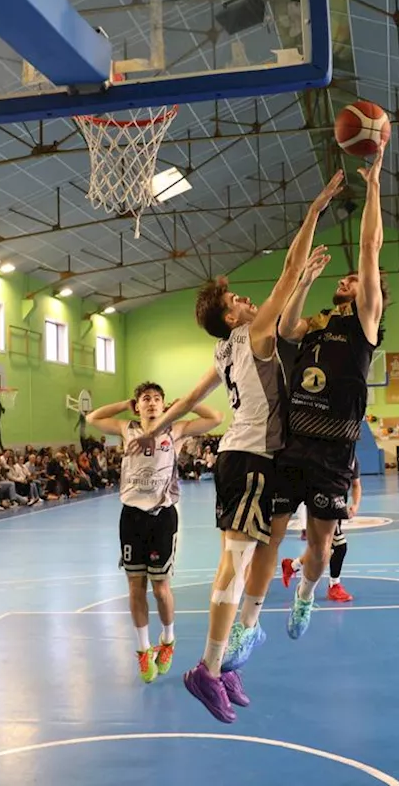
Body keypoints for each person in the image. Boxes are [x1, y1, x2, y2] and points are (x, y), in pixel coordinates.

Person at [133, 170, 345, 723]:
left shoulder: (228, 350)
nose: (248, 299)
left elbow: (185, 398)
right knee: (235, 562)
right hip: (248, 458)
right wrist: (315, 207)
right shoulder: (250, 335)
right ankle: (206, 669)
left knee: (258, 554)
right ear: (231, 316)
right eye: (238, 298)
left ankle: (227, 666)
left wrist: (156, 431)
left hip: (257, 460)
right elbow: (288, 270)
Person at [277, 146, 387, 640]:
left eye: (357, 281)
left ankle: (305, 594)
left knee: (321, 547)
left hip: (333, 447)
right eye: (344, 280)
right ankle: (251, 616)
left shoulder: (364, 323)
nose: (350, 281)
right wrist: (304, 280)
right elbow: (285, 327)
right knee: (270, 532)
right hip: (292, 437)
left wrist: (374, 187)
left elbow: (369, 250)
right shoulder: (319, 322)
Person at [86, 382, 222, 685]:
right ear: (138, 405)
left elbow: (215, 417)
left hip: (162, 516)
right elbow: (92, 418)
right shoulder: (127, 428)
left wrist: (184, 402)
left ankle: (168, 639)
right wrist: (124, 403)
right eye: (145, 399)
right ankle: (143, 648)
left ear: (163, 405)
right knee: (135, 586)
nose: (151, 403)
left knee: (160, 588)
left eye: (157, 399)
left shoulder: (176, 429)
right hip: (131, 516)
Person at [282, 460, 360, 602]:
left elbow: (356, 485)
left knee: (323, 548)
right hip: (325, 501)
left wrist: (355, 505)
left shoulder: (351, 459)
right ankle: (334, 586)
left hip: (338, 504)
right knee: (340, 546)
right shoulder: (325, 455)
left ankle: (293, 565)